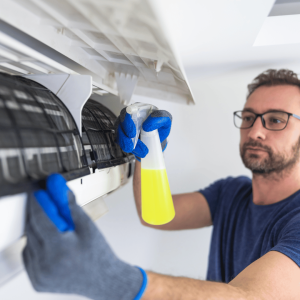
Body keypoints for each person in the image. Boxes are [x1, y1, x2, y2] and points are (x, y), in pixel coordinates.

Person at [23, 69, 300, 299]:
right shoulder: (232, 193)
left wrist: (118, 281)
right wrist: (148, 151)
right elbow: (156, 215)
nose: (255, 131)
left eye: (276, 120)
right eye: (249, 117)